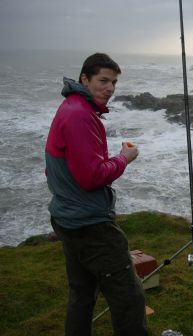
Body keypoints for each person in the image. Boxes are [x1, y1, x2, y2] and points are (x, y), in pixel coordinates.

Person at [45, 53, 148, 336]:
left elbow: (51, 168)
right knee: (129, 298)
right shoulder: (80, 116)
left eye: (113, 82)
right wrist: (124, 158)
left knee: (82, 294)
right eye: (103, 80)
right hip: (90, 225)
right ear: (84, 79)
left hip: (66, 218)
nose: (110, 88)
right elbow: (92, 177)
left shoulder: (70, 107)